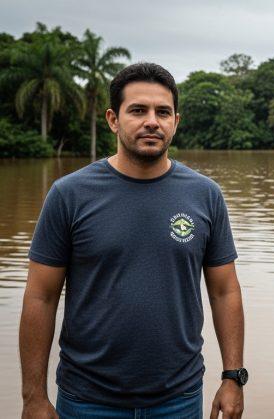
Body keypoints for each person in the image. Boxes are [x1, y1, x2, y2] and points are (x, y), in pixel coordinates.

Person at [19, 62, 248, 419]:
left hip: (179, 398)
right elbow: (40, 296)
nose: (152, 121)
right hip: (86, 399)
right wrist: (34, 397)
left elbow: (224, 291)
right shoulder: (70, 194)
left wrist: (233, 377)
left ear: (176, 121)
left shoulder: (205, 195)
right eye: (138, 110)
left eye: (163, 112)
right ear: (113, 119)